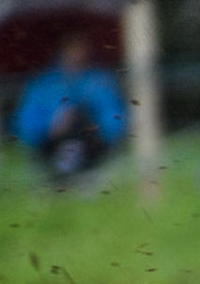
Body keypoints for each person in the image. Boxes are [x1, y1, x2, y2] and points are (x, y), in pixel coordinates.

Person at [11, 32, 126, 179]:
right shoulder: (42, 84)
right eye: (71, 48)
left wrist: (93, 125)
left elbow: (115, 120)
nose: (76, 53)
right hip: (51, 146)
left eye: (80, 48)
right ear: (61, 50)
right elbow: (25, 126)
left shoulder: (100, 80)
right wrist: (51, 126)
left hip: (94, 147)